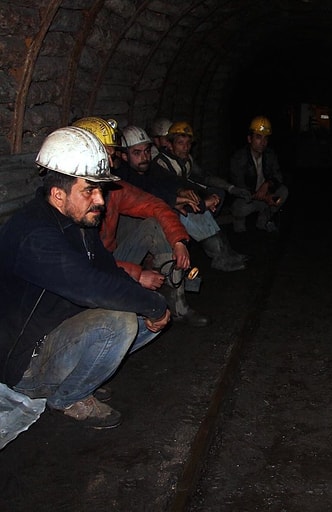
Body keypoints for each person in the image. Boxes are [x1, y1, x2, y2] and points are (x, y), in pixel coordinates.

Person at [0, 126, 170, 429]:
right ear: (57, 194)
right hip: (26, 360)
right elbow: (90, 287)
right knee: (120, 322)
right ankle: (68, 397)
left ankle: (80, 376)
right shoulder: (34, 234)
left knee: (144, 315)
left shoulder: (78, 224)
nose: (101, 200)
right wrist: (152, 305)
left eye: (100, 190)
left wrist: (152, 304)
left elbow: (108, 272)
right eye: (89, 190)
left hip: (59, 330)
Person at [110, 125, 210, 327]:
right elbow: (88, 262)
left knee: (160, 221)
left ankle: (176, 303)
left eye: (146, 151)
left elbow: (157, 195)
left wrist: (179, 241)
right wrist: (138, 274)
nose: (145, 157)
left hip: (119, 255)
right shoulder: (115, 181)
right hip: (105, 267)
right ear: (123, 156)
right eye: (137, 153)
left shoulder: (127, 181)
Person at [130, 121, 248, 272]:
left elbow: (197, 180)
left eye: (188, 143)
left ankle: (226, 252)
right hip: (169, 209)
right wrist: (203, 201)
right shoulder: (160, 163)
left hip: (182, 203)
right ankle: (219, 257)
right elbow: (172, 185)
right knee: (197, 218)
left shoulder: (186, 160)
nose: (185, 147)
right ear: (170, 144)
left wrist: (213, 194)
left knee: (206, 217)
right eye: (180, 143)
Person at [228, 116, 289, 233]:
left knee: (283, 192)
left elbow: (278, 176)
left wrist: (267, 184)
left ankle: (263, 220)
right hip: (247, 199)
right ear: (249, 139)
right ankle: (239, 224)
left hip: (264, 198)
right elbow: (240, 186)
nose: (263, 142)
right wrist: (266, 198)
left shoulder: (270, 155)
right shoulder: (239, 158)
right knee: (240, 208)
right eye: (258, 137)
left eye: (266, 138)